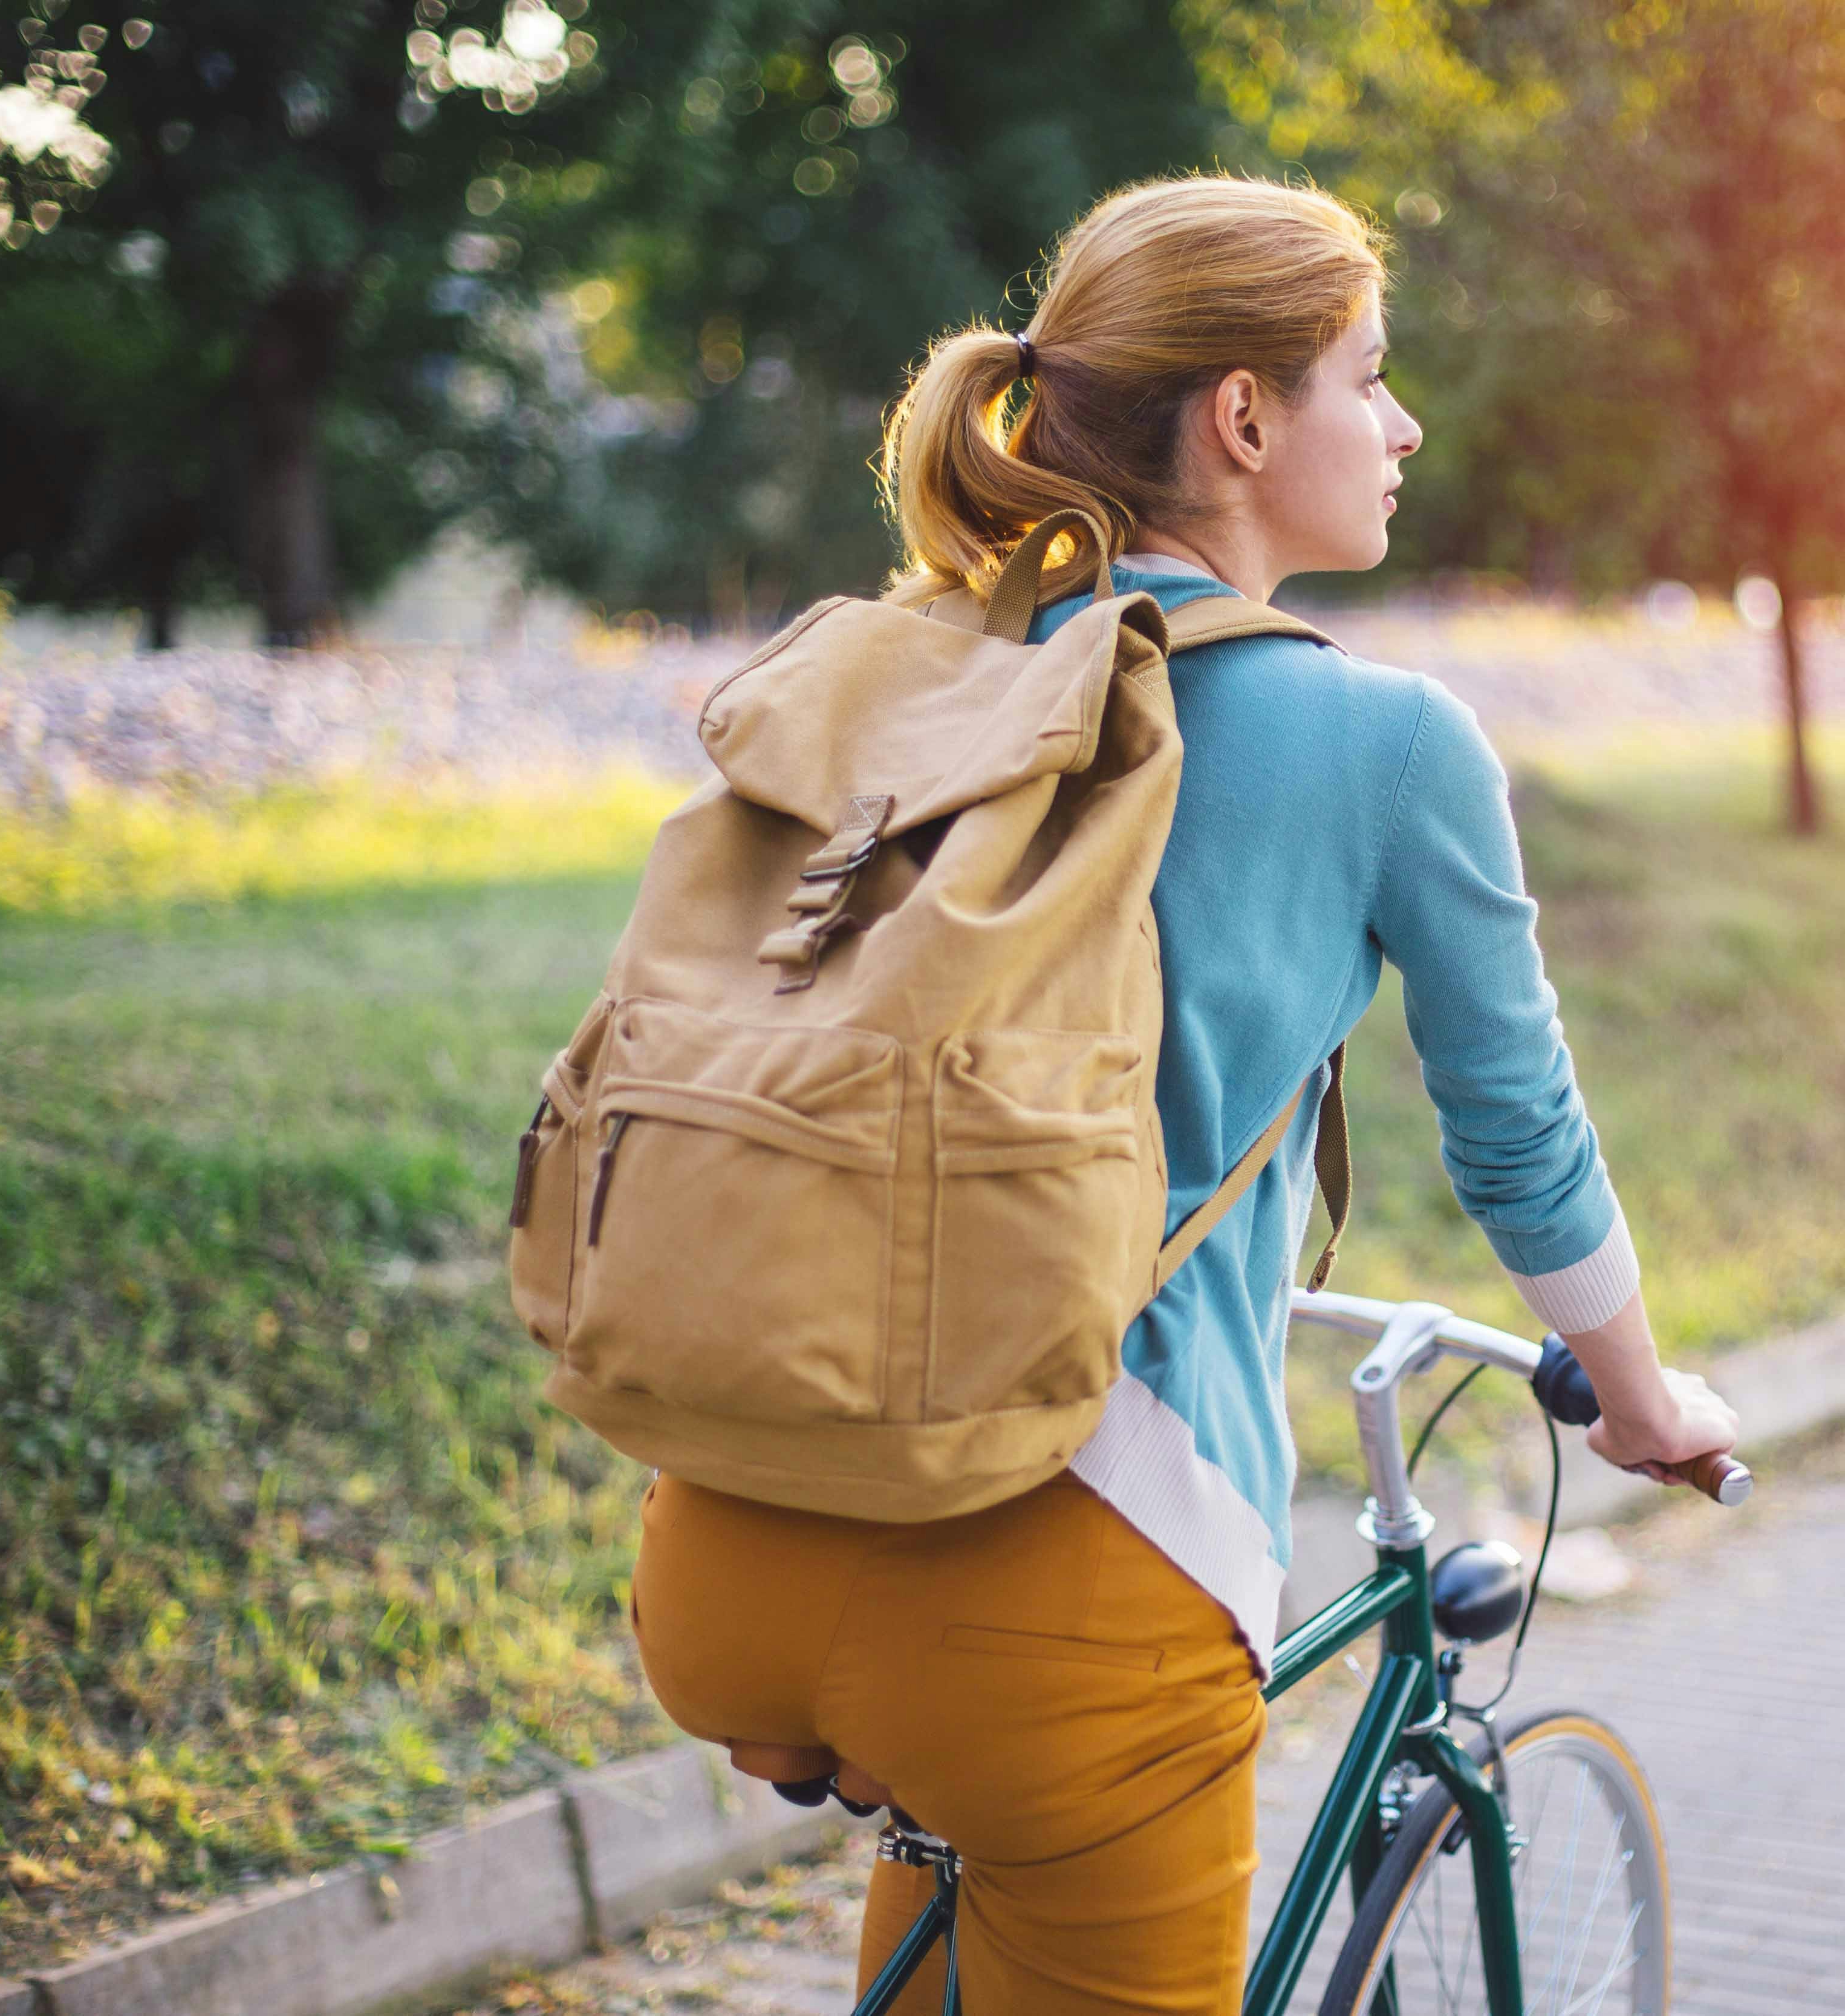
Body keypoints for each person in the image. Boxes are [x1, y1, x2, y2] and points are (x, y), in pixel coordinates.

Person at [625, 171, 1740, 2014]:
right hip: (1061, 1583)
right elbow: (1520, 1139)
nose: (1404, 426)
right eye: (1368, 376)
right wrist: (1640, 1404)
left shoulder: (922, 671)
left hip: (734, 1529)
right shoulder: (1384, 744)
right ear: (1242, 419)